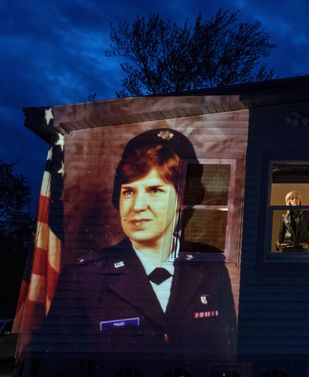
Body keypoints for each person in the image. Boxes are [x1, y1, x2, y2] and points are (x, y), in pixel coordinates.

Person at [40, 128, 236, 359]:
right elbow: (58, 361)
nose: (138, 206)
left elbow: (226, 353)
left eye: (155, 190)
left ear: (181, 199)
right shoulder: (83, 278)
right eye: (129, 192)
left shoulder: (211, 268)